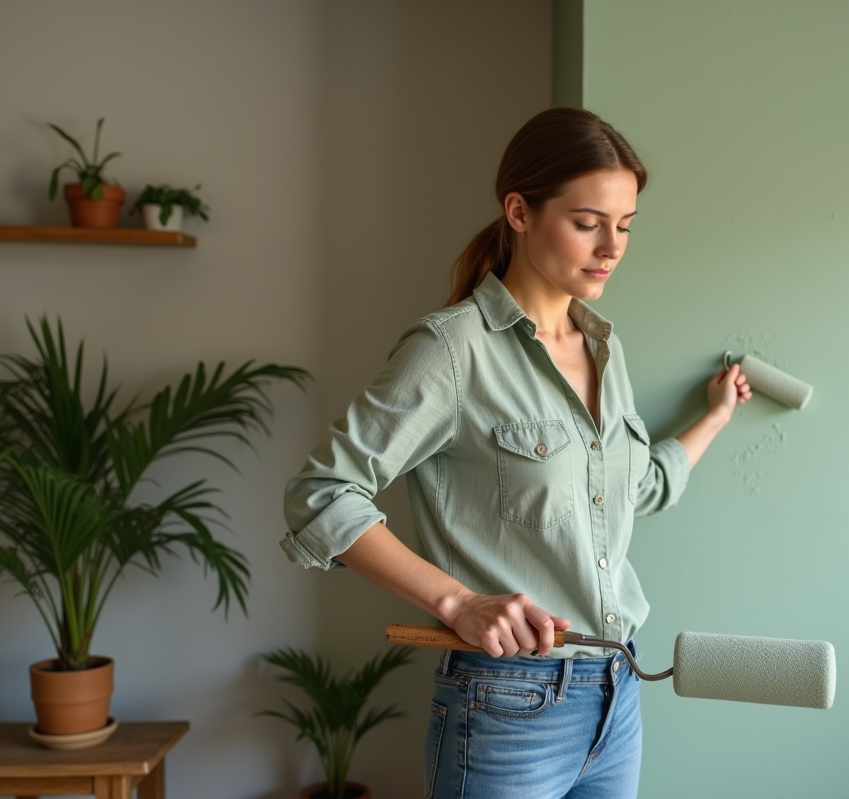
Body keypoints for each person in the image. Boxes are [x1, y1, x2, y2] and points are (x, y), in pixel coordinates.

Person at [281, 107, 751, 799]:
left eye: (624, 226)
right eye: (588, 222)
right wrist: (458, 602)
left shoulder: (603, 349)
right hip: (507, 708)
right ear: (520, 211)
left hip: (617, 694)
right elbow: (320, 495)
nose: (611, 247)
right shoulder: (450, 350)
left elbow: (638, 488)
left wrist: (714, 418)